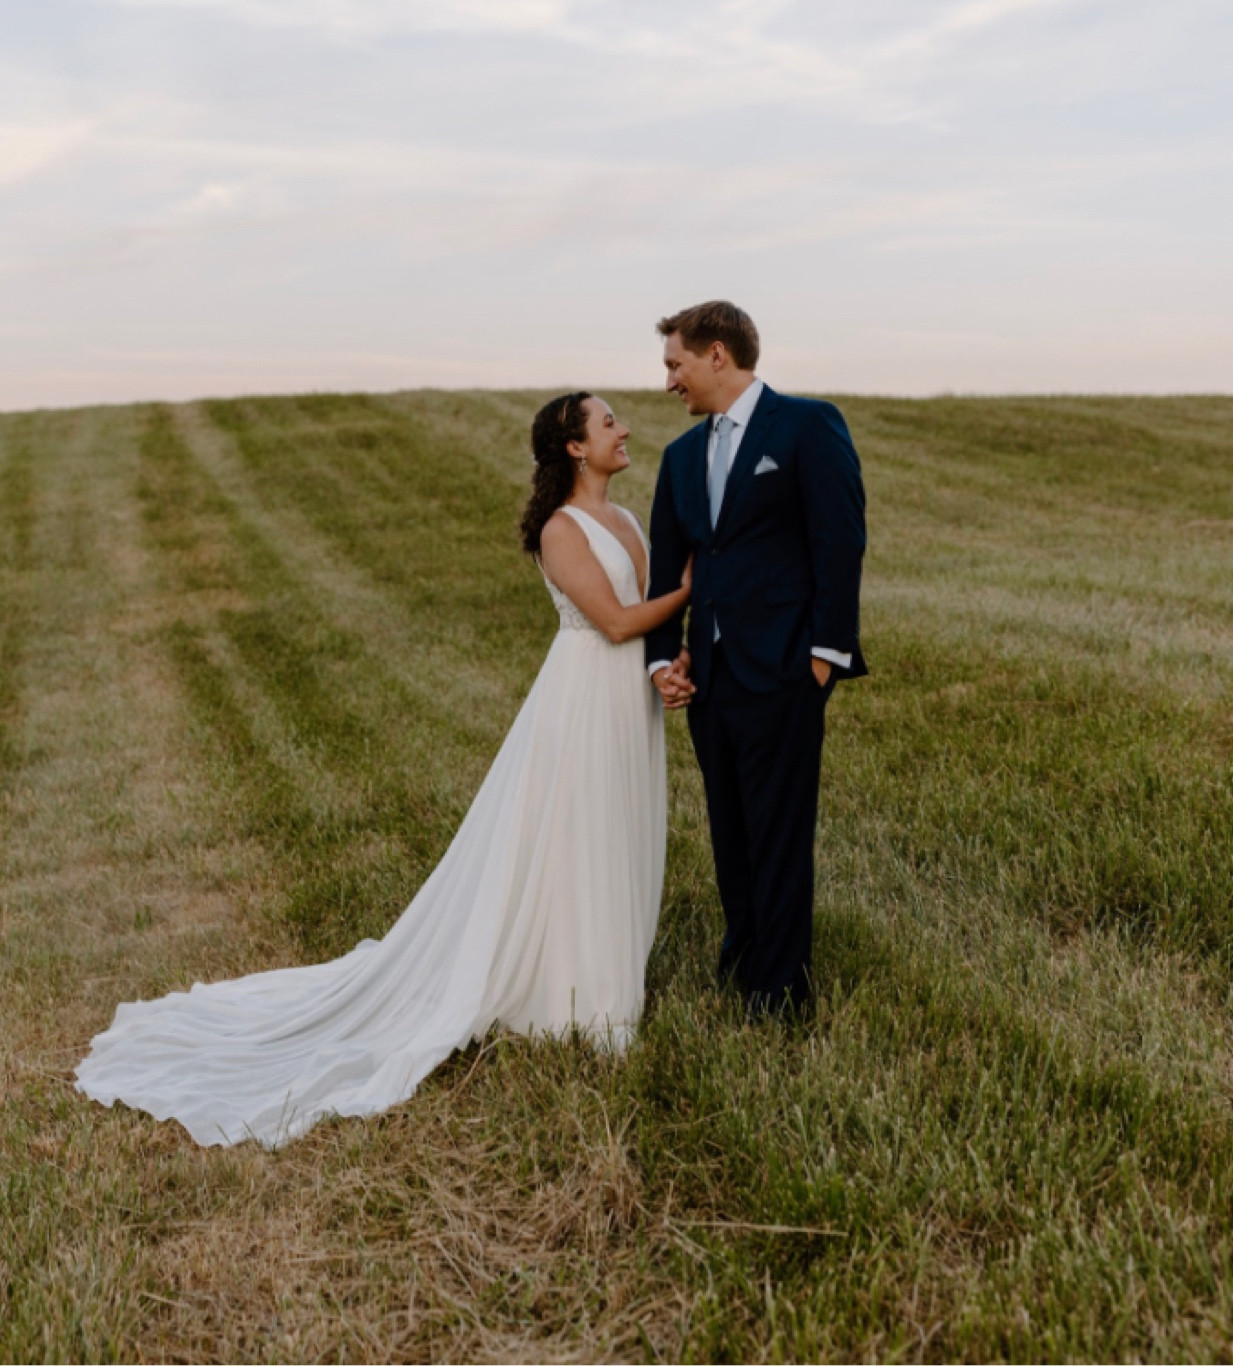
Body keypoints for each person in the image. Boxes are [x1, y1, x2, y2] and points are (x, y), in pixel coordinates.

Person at [76, 392, 690, 1147]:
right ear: (572, 447)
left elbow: (651, 621)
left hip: (629, 702)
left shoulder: (628, 520)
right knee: (575, 834)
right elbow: (622, 620)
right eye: (607, 423)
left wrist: (676, 661)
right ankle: (571, 996)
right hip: (582, 699)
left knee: (617, 830)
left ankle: (605, 973)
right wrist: (697, 588)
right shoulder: (562, 531)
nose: (624, 430)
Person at [644, 301, 868, 1019]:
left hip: (785, 669)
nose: (669, 381)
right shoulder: (679, 458)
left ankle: (780, 991)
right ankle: (742, 956)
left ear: (717, 354)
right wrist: (660, 663)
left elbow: (840, 539)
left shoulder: (806, 425)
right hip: (709, 679)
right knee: (729, 824)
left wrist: (824, 656)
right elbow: (665, 569)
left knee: (779, 828)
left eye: (675, 364)